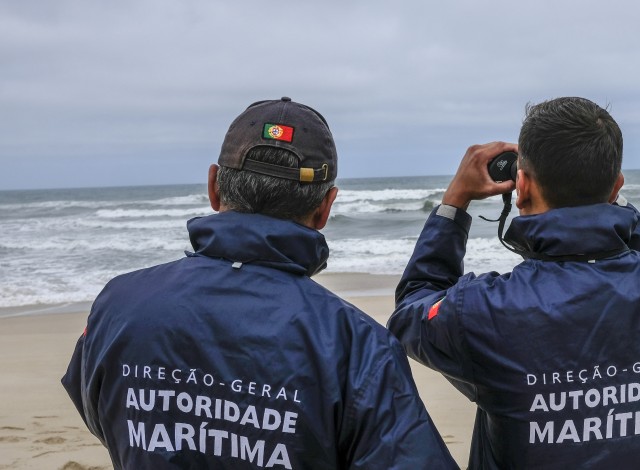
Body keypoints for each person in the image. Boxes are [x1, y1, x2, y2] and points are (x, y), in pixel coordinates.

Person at [62, 97, 458, 469]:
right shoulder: (356, 346)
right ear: (325, 207)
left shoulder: (118, 305)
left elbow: (104, 413)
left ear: (214, 187)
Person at [388, 97, 640, 469]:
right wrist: (604, 195)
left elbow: (412, 308)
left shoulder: (485, 312)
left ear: (521, 186)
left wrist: (454, 202)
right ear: (616, 187)